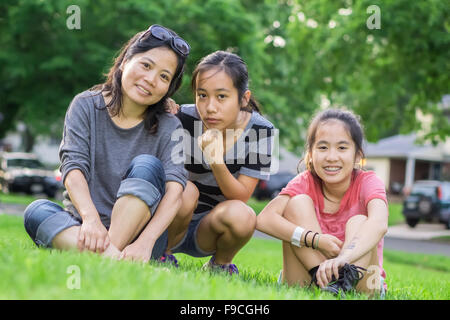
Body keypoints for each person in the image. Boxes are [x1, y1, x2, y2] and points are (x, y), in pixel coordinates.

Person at [23, 24, 191, 263]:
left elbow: (175, 193)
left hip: (140, 241)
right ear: (125, 61)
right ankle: (114, 259)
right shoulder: (85, 105)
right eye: (146, 65)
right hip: (84, 226)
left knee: (147, 165)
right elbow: (73, 168)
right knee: (36, 211)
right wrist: (91, 220)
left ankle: (105, 255)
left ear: (169, 88)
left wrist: (145, 242)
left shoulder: (169, 126)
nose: (151, 79)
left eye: (164, 76)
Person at [161, 50, 276, 274]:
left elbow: (241, 196)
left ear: (243, 98)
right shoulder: (182, 119)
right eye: (202, 95)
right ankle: (162, 255)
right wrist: (158, 108)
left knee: (244, 215)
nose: (210, 107)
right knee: (188, 191)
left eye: (221, 96)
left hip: (210, 230)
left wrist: (216, 160)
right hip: (170, 218)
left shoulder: (261, 131)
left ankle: (219, 265)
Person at [256, 109, 389, 298]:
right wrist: (314, 240)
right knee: (296, 203)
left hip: (363, 281)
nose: (331, 157)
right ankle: (327, 284)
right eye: (323, 147)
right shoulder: (304, 181)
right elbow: (264, 219)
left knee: (359, 221)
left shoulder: (368, 182)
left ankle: (340, 281)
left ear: (357, 155)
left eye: (342, 148)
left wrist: (343, 259)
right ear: (310, 153)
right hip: (308, 276)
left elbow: (379, 223)